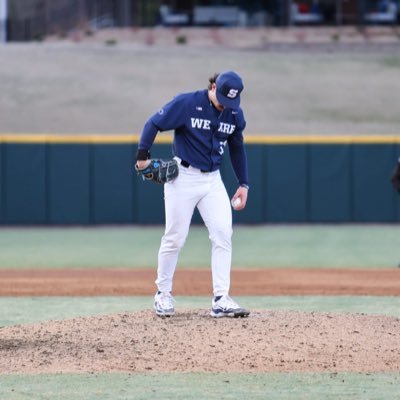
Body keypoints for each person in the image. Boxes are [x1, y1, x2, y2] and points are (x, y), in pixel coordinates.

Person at [135, 71, 250, 318]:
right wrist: (142, 157)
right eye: (221, 98)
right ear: (212, 86)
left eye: (230, 101)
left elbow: (237, 147)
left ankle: (221, 298)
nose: (224, 104)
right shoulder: (187, 103)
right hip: (183, 177)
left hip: (213, 180)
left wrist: (244, 183)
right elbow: (153, 123)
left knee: (223, 234)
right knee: (175, 237)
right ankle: (162, 294)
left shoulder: (234, 113)